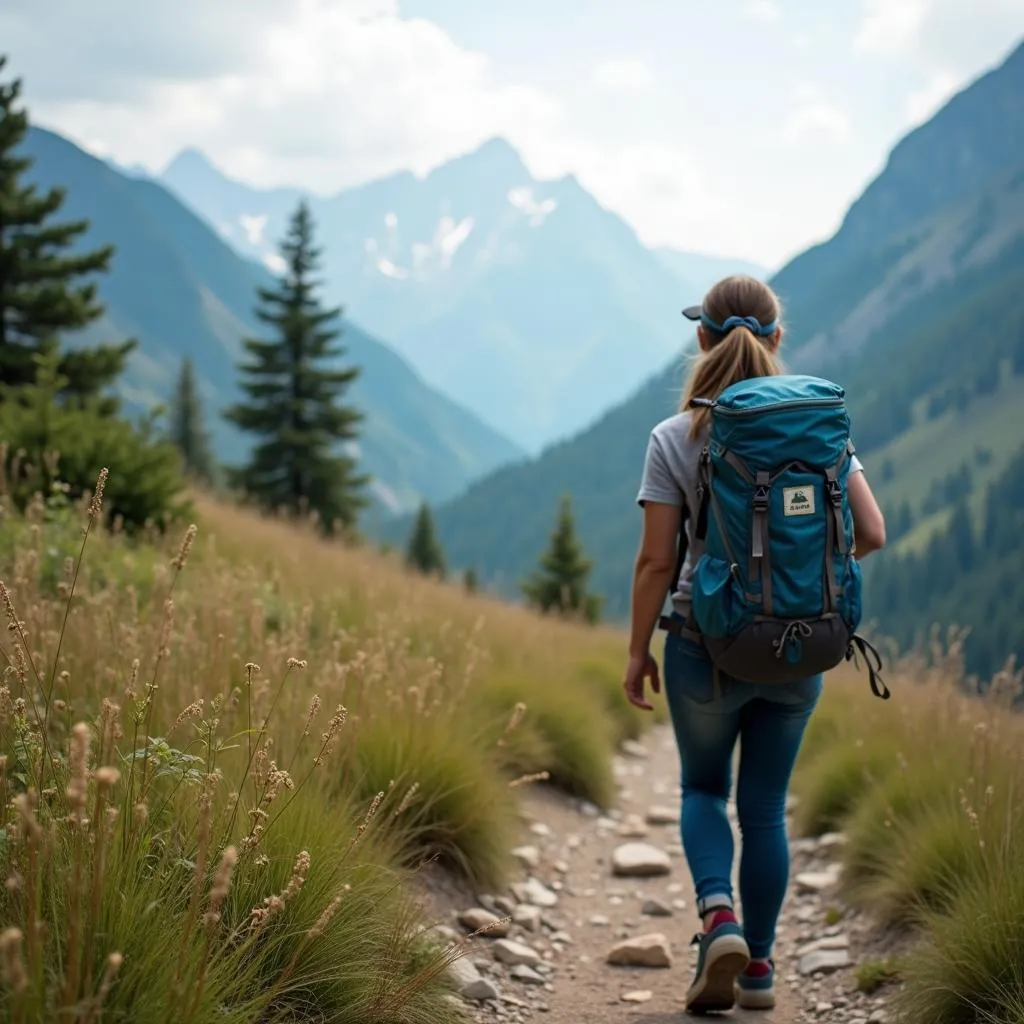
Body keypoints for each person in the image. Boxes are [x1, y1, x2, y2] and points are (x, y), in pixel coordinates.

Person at [622, 274, 886, 1014]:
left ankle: (719, 918)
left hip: (704, 644)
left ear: (701, 339)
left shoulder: (675, 437)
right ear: (777, 340)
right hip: (803, 645)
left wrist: (638, 651)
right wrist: (802, 578)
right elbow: (871, 533)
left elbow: (654, 561)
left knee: (704, 789)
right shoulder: (822, 430)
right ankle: (762, 972)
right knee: (765, 808)